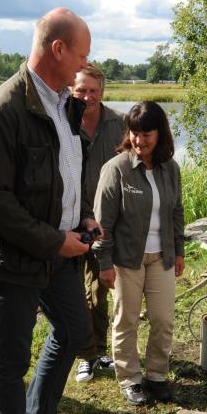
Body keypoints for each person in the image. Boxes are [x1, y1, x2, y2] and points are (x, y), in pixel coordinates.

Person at [0, 7, 98, 414]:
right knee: (10, 360)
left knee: (74, 330)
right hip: (18, 258)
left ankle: (40, 412)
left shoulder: (64, 103)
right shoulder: (5, 109)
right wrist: (54, 239)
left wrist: (82, 217)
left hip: (60, 247)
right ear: (58, 49)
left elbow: (66, 173)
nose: (85, 64)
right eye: (81, 53)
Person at [94, 102, 185, 406]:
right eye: (134, 133)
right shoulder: (116, 169)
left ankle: (157, 375)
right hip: (126, 260)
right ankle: (130, 379)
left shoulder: (170, 169)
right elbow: (102, 224)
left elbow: (176, 213)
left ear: (161, 134)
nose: (139, 140)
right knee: (127, 320)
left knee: (162, 319)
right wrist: (103, 263)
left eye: (147, 133)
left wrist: (180, 251)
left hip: (162, 257)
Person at [71, 64, 125, 384]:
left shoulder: (119, 123)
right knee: (71, 290)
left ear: (102, 91)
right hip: (69, 218)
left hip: (106, 220)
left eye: (93, 90)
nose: (87, 97)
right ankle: (83, 354)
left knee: (99, 287)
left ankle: (97, 353)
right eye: (81, 90)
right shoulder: (61, 123)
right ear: (71, 91)